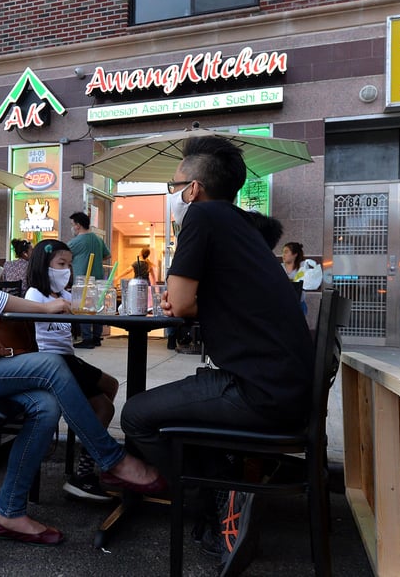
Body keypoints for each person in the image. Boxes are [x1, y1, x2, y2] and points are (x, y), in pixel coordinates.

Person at [0, 170, 163, 546]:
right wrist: (52, 307)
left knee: (44, 404)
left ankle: (8, 511)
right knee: (52, 366)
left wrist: (53, 308)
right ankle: (112, 460)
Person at [120, 136, 314, 569]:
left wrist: (183, 298)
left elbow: (182, 303)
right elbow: (191, 298)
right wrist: (184, 298)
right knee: (180, 411)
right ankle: (221, 488)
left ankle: (213, 499)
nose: (172, 195)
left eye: (174, 186)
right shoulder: (242, 226)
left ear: (193, 189)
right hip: (284, 387)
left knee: (136, 415)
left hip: (258, 392)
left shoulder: (202, 217)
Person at [23, 239, 120, 502]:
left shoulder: (66, 295)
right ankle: (85, 474)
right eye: (60, 264)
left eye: (68, 265)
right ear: (45, 266)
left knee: (110, 387)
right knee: (105, 407)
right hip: (49, 362)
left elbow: (84, 308)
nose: (66, 270)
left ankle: (87, 432)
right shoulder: (35, 295)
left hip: (68, 359)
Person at [66, 211, 110, 349]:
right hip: (98, 278)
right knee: (97, 308)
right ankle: (97, 337)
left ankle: (87, 339)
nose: (72, 228)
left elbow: (64, 256)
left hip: (82, 279)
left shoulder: (74, 242)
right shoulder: (98, 239)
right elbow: (107, 255)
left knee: (83, 308)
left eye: (72, 225)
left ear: (78, 225)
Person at [281, 241, 309, 315]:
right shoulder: (279, 268)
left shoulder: (302, 268)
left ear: (295, 254)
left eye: (286, 252)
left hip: (299, 305)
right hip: (282, 305)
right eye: (283, 252)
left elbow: (304, 287)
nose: (283, 255)